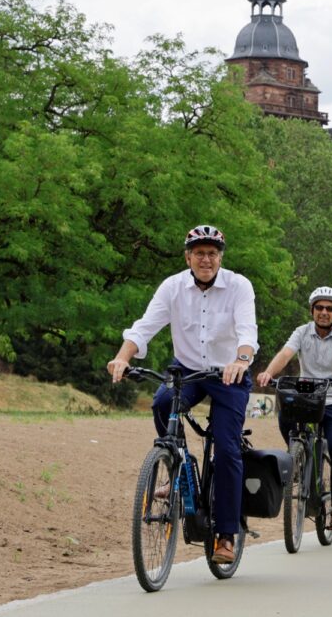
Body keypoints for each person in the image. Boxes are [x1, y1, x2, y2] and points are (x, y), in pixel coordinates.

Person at [107, 224, 257, 565]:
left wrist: (241, 359)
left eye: (213, 253)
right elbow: (145, 326)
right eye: (200, 253)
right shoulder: (172, 287)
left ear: (220, 257)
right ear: (188, 257)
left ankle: (226, 536)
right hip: (188, 369)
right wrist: (122, 357)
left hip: (228, 373)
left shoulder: (238, 286)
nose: (207, 259)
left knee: (227, 447)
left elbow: (248, 330)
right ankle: (175, 466)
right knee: (161, 402)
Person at [257, 286, 332, 530]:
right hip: (306, 397)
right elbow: (285, 354)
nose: (324, 312)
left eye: (329, 308)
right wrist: (269, 373)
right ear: (312, 310)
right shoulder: (301, 332)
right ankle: (298, 453)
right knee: (284, 416)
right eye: (320, 308)